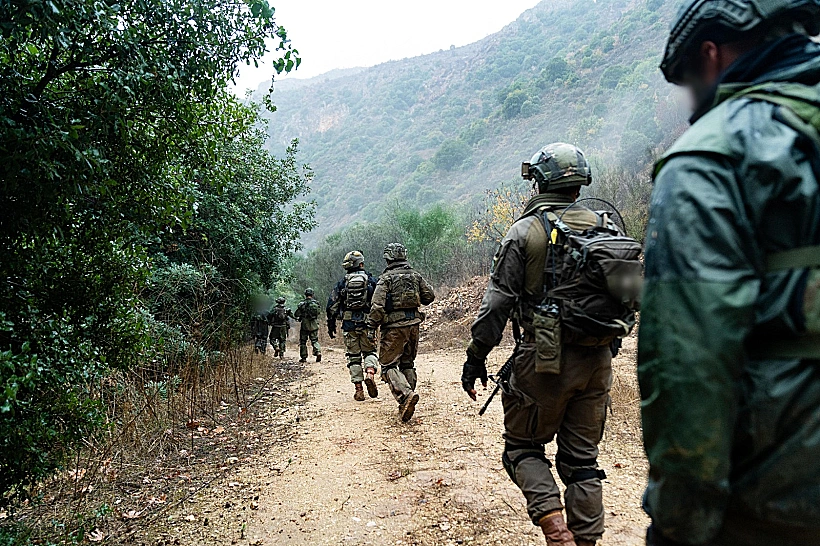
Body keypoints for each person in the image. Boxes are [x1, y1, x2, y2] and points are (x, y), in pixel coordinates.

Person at [639, 2, 820, 545]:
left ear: (711, 56)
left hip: (781, 492)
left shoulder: (712, 155)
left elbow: (690, 361)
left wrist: (679, 524)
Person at [461, 143, 641, 546]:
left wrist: (476, 358)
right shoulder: (607, 226)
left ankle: (558, 533)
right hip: (599, 353)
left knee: (522, 448)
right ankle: (585, 541)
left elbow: (496, 305)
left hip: (545, 345)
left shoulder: (526, 231)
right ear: (580, 183)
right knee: (582, 463)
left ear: (538, 181)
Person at [366, 243, 435, 422]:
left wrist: (372, 326)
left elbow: (377, 306)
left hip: (394, 328)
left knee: (388, 366)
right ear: (404, 256)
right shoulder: (415, 276)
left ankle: (405, 396)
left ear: (388, 258)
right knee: (407, 364)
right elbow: (429, 297)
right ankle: (406, 401)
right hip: (414, 325)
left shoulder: (386, 279)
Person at [327, 251, 380, 401]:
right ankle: (370, 373)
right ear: (361, 264)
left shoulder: (342, 283)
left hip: (349, 325)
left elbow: (331, 306)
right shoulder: (371, 281)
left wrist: (331, 325)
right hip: (367, 324)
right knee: (370, 352)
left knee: (354, 357)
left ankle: (359, 390)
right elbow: (380, 302)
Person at [294, 288, 322, 363]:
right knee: (314, 340)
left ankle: (303, 357)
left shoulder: (302, 304)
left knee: (303, 341)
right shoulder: (316, 303)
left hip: (305, 325)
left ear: (305, 294)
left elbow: (296, 314)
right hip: (314, 324)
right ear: (312, 294)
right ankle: (318, 352)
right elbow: (318, 313)